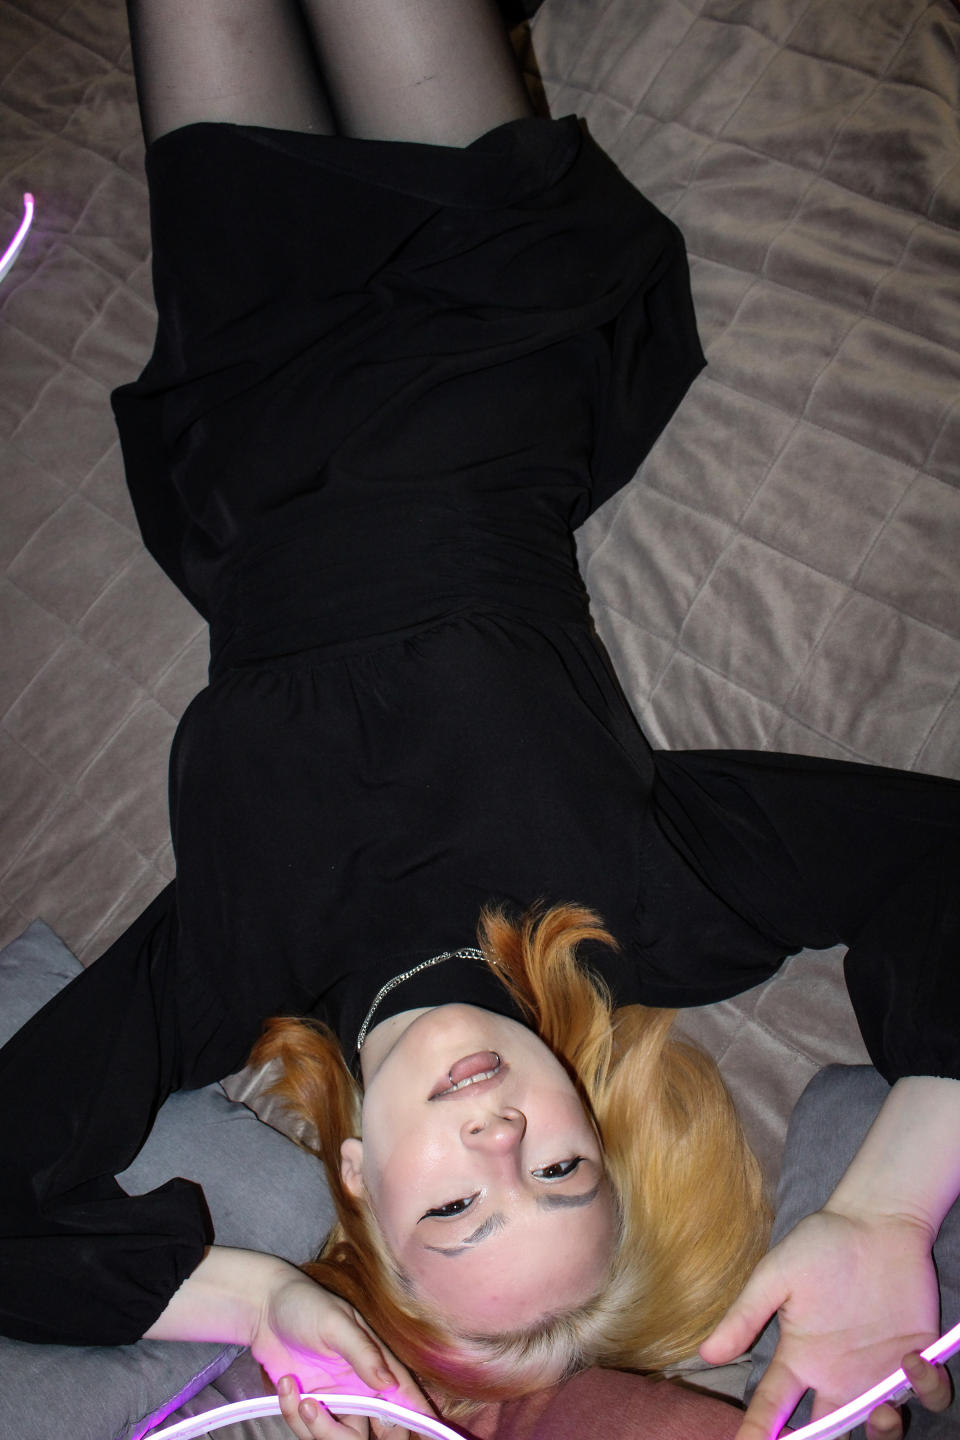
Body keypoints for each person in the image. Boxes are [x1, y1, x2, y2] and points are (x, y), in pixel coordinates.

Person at [0, 2, 957, 1438]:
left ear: (361, 1188)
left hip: (248, 389)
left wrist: (253, 1298)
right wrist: (889, 1210)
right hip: (486, 322)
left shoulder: (233, 974)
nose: (502, 1140)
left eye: (456, 1206)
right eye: (561, 1174)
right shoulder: (634, 914)